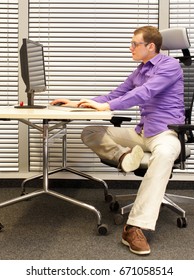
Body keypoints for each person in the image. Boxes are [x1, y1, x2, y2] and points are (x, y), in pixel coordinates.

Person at [51, 26, 184, 255]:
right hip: (142, 133)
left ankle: (134, 227)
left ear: (150, 47)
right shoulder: (139, 71)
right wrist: (77, 102)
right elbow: (115, 94)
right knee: (90, 132)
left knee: (163, 155)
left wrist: (108, 106)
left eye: (135, 44)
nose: (130, 47)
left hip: (165, 133)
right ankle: (124, 158)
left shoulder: (169, 66)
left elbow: (145, 93)